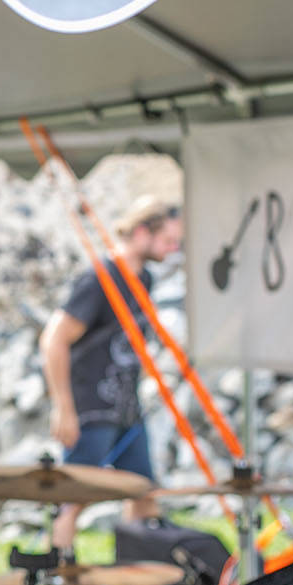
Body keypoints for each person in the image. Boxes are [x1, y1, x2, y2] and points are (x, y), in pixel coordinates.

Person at [39, 196, 183, 551]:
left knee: (143, 490)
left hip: (127, 409)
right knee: (75, 498)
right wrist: (63, 408)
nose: (173, 249)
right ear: (141, 232)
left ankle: (138, 565)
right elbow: (54, 340)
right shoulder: (100, 280)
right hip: (90, 408)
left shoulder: (144, 279)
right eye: (168, 240)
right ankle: (57, 568)